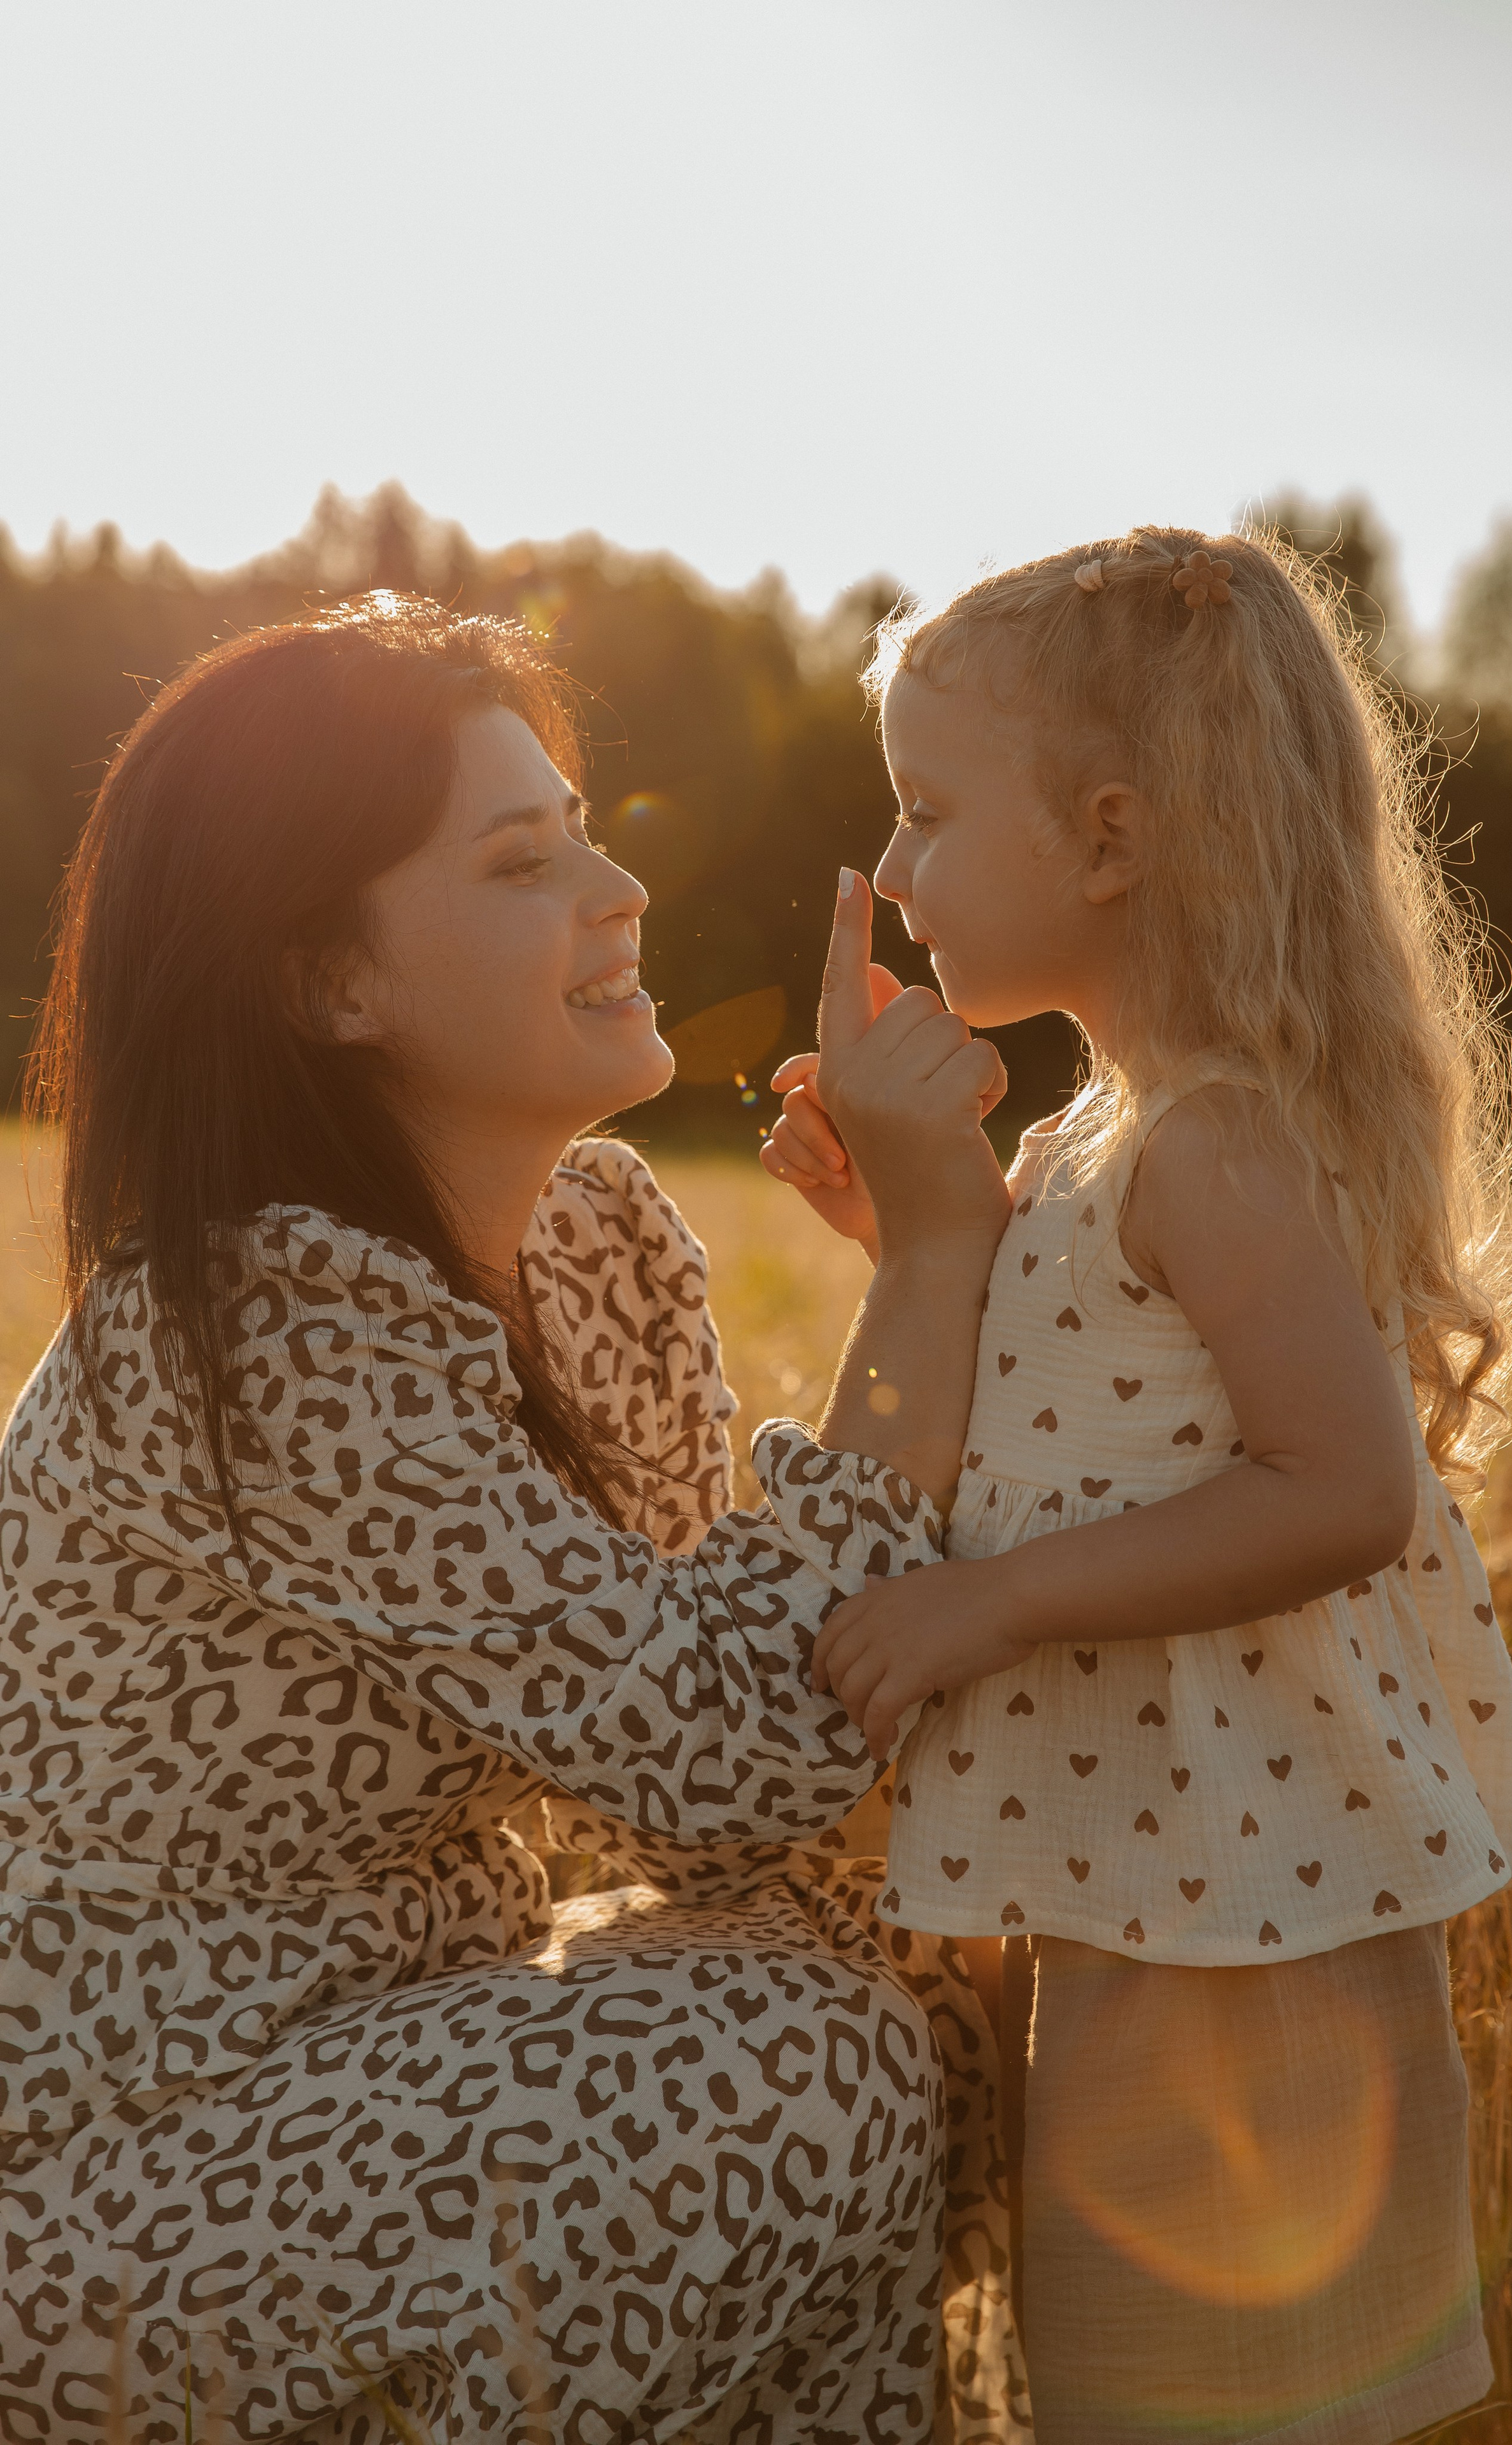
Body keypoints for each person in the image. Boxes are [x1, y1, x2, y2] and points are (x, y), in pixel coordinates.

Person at [0, 597, 1030, 2445]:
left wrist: (945, 1264)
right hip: (114, 2178)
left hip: (398, 2062)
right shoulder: (253, 1325)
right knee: (784, 2063)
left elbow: (731, 1787)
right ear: (334, 984)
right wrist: (939, 1259)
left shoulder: (607, 1241)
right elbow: (728, 1754)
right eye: (520, 858)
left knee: (920, 1963)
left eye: (587, 828)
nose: (619, 891)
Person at [762, 530, 1512, 2444]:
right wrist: (910, 1239)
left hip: (1255, 1915)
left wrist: (989, 1602)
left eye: (933, 813)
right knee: (1138, 2390)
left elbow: (1342, 1492)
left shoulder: (1211, 1147)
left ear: (1111, 839)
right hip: (1155, 1876)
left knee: (1250, 2401)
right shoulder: (1102, 1133)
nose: (893, 874)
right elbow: (1074, 1417)